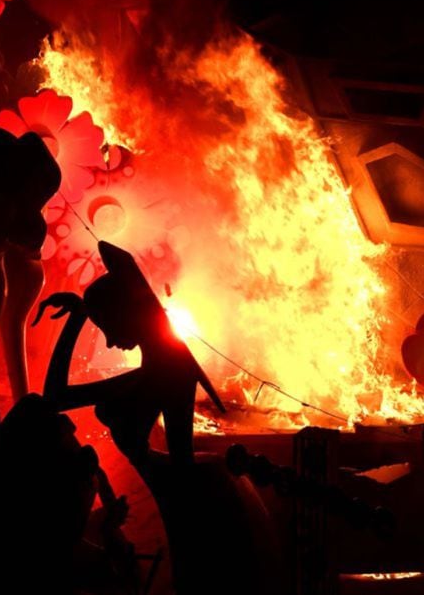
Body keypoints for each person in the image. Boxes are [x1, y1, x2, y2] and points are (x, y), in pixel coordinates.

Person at [37, 241, 274, 593]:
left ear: (126, 315)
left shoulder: (166, 370)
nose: (109, 341)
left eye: (107, 327)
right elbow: (54, 398)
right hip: (190, 493)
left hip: (203, 500)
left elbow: (182, 465)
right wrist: (80, 315)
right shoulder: (159, 368)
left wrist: (79, 318)